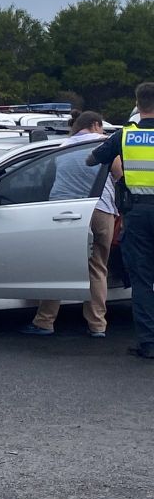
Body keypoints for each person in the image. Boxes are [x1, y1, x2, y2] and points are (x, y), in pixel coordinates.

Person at [21, 111, 120, 337]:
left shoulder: (61, 148)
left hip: (62, 211)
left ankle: (44, 321)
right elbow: (118, 173)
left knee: (57, 266)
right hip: (100, 209)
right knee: (97, 267)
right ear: (95, 125)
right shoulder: (104, 144)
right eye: (102, 127)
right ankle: (97, 325)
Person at [87, 82, 154, 359]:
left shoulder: (125, 137)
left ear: (137, 106)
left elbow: (92, 160)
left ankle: (148, 343)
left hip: (137, 216)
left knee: (142, 282)